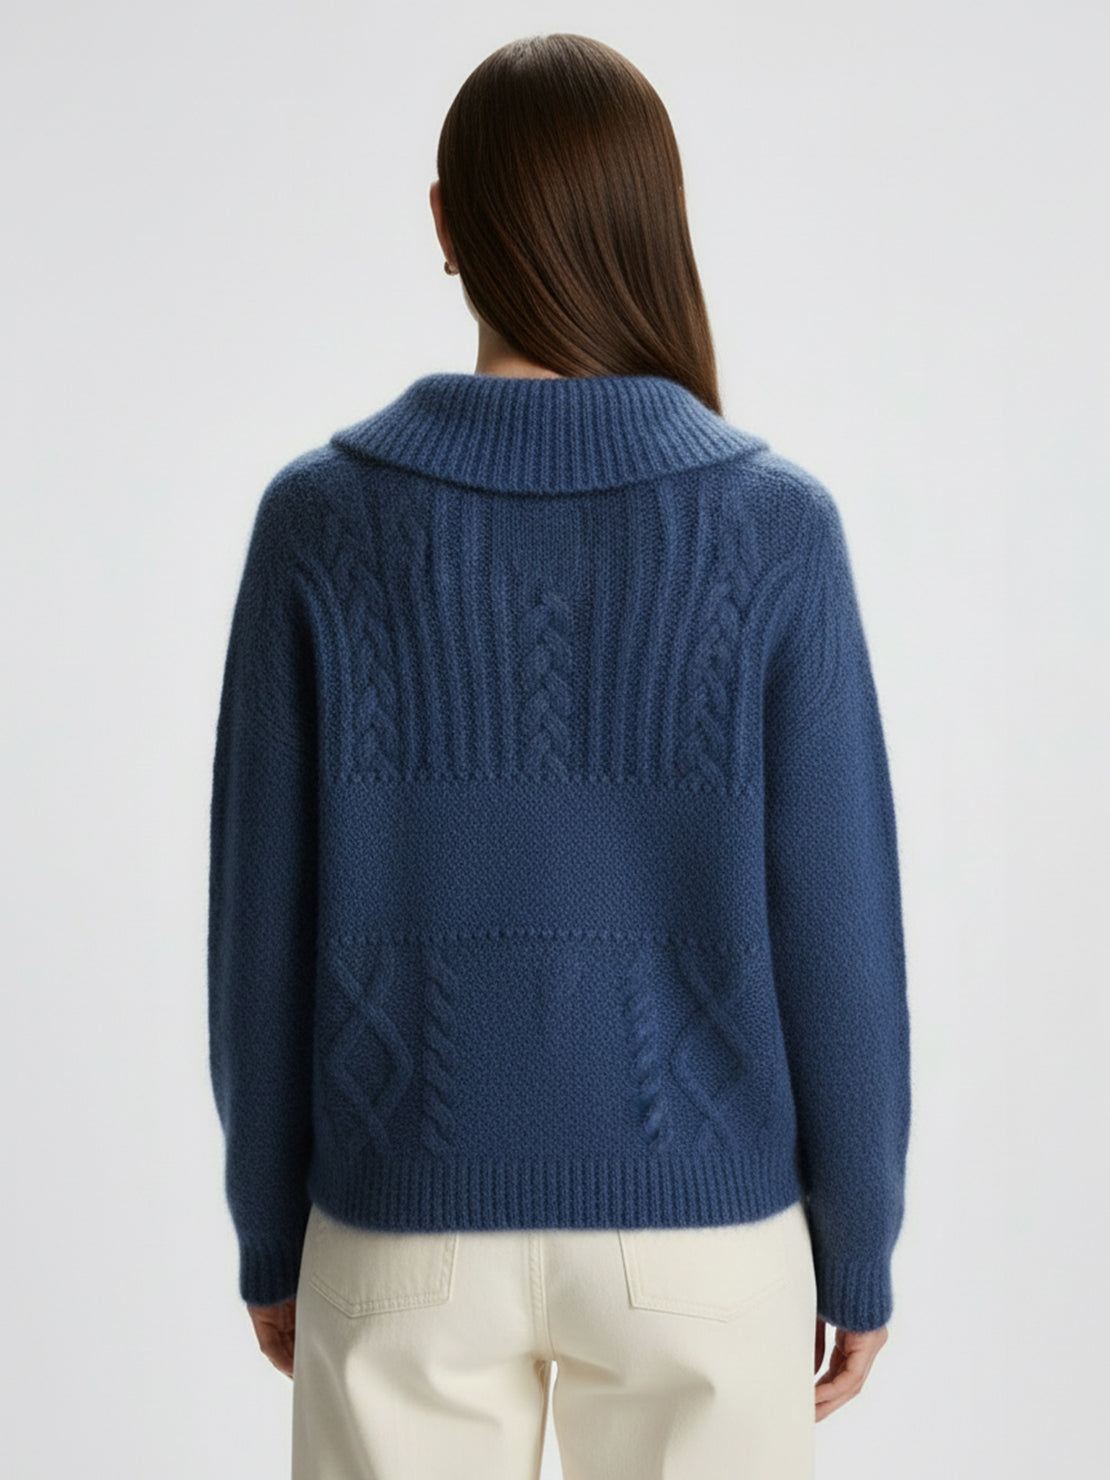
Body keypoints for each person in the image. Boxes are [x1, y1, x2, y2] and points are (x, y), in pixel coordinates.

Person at [207, 32, 911, 1480]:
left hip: (398, 1218)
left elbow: (256, 924)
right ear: (656, 222)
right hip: (703, 1237)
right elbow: (839, 926)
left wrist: (271, 1229)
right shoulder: (774, 525)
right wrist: (859, 1241)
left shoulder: (319, 523)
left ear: (445, 223)